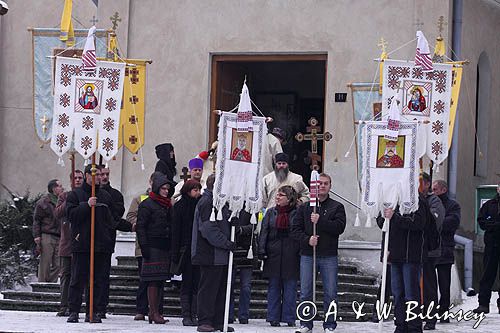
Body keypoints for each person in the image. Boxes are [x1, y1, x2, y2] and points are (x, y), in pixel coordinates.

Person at [291, 173, 346, 333]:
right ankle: (306, 324)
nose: (322, 186)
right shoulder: (305, 207)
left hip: (329, 255)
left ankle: (330, 324)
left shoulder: (337, 207)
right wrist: (308, 239)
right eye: (319, 183)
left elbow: (339, 228)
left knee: (330, 292)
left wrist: (320, 220)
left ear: (330, 186)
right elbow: (295, 230)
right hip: (308, 254)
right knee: (306, 291)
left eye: (326, 183)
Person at [66, 165, 115, 323]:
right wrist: (86, 205)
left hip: (100, 244)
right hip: (82, 243)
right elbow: (71, 216)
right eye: (96, 174)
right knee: (78, 278)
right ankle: (74, 310)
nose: (100, 177)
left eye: (101, 175)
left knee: (97, 280)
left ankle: (92, 311)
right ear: (88, 175)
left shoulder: (106, 197)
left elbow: (111, 220)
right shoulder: (75, 195)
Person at [376, 195, 430, 333]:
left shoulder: (418, 201)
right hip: (395, 255)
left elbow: (418, 223)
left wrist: (395, 217)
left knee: (411, 294)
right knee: (398, 293)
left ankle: (414, 327)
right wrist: (383, 215)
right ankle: (400, 325)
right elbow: (382, 224)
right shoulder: (391, 200)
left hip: (411, 255)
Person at [191, 174, 236, 332]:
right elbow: (208, 229)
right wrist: (226, 243)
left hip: (221, 255)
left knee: (220, 289)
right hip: (210, 254)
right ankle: (204, 320)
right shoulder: (207, 202)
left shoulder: (220, 203)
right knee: (208, 288)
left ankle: (218, 320)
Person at [136, 174, 175, 324]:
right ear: (157, 188)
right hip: (152, 246)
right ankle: (152, 312)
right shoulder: (147, 204)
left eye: (167, 189)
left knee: (160, 280)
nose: (166, 191)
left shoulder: (167, 205)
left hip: (163, 246)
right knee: (152, 280)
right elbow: (141, 227)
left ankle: (156, 311)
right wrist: (144, 246)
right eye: (163, 188)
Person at [259, 185, 300, 327]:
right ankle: (273, 317)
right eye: (277, 195)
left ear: (289, 199)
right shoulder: (271, 213)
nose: (277, 197)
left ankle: (289, 317)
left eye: (281, 195)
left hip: (291, 254)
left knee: (290, 287)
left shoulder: (296, 213)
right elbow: (264, 231)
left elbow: (299, 232)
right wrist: (262, 251)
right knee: (274, 287)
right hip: (273, 254)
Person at [127, 172, 165, 321]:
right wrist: (144, 222)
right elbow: (130, 216)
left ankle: (157, 310)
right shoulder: (140, 199)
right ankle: (141, 309)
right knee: (144, 279)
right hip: (143, 245)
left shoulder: (165, 200)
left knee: (159, 280)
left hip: (159, 246)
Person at [96, 165, 127, 319]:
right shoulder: (91, 193)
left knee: (103, 275)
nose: (104, 177)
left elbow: (116, 215)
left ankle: (101, 306)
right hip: (90, 239)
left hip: (106, 239)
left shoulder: (115, 195)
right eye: (101, 174)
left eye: (106, 174)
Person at [171, 179, 202, 326]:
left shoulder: (200, 205)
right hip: (185, 249)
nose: (198, 193)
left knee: (196, 283)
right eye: (195, 190)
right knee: (187, 283)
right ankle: (186, 314)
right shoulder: (180, 207)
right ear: (188, 191)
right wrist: (175, 253)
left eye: (199, 190)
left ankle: (194, 313)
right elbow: (175, 231)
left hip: (199, 250)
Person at [54, 170, 84, 317]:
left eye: (80, 178)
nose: (78, 180)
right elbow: (57, 213)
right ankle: (64, 305)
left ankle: (77, 304)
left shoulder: (85, 195)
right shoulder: (63, 196)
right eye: (75, 178)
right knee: (66, 274)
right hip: (67, 242)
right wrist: (68, 200)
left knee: (79, 275)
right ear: (71, 180)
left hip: (82, 241)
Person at [419, 173, 445, 331]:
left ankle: (430, 318)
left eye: (420, 182)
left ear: (427, 184)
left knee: (429, 286)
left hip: (429, 249)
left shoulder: (434, 200)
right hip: (412, 250)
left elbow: (434, 222)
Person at [433, 179, 461, 321]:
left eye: (436, 189)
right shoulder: (430, 203)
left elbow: (453, 222)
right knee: (430, 285)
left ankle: (443, 312)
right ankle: (430, 311)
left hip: (445, 249)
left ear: (443, 190)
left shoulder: (452, 205)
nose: (433, 192)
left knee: (444, 285)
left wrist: (435, 222)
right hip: (431, 249)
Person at [473, 181, 500, 315]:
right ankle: (483, 304)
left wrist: (493, 225)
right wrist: (495, 226)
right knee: (487, 274)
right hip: (492, 245)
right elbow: (482, 221)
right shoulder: (489, 205)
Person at [228, 208, 257, 325]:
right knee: (229, 285)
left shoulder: (251, 206)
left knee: (246, 286)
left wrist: (240, 229)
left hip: (246, 251)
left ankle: (243, 315)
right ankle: (229, 314)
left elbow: (254, 226)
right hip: (232, 249)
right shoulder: (229, 206)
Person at [33, 179, 64, 282]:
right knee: (45, 262)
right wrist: (37, 235)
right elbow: (37, 220)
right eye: (60, 186)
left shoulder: (62, 201)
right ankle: (42, 285)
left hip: (60, 235)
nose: (62, 188)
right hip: (47, 234)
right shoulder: (43, 202)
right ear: (53, 188)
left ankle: (51, 284)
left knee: (59, 263)